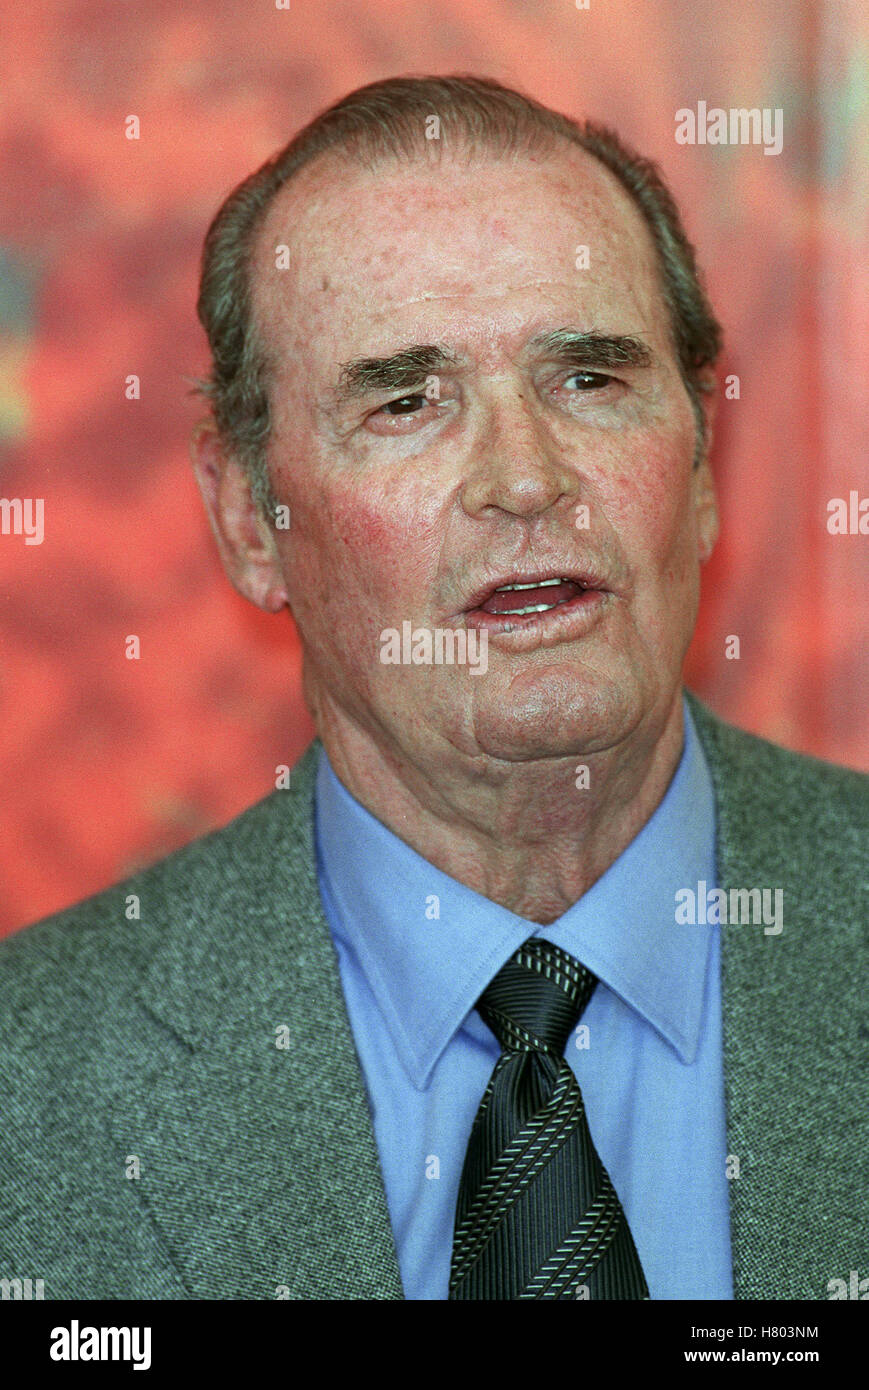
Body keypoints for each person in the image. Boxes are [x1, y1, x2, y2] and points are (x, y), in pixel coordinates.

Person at [1, 76, 865, 1302]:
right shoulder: (28, 1086)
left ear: (702, 461)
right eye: (406, 399)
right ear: (250, 516)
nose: (522, 478)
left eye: (589, 381)